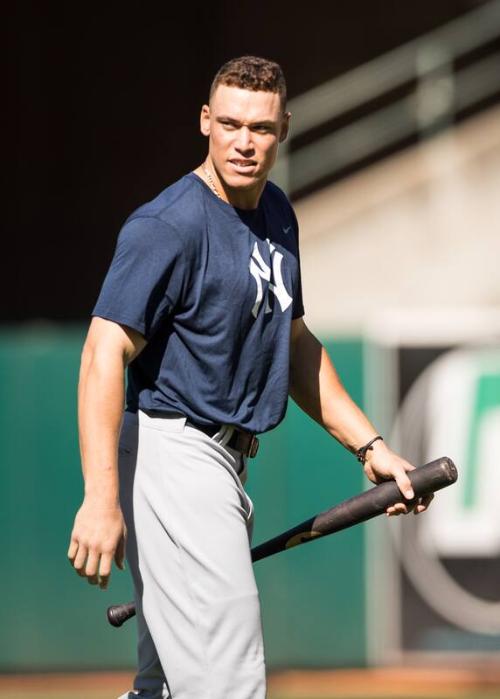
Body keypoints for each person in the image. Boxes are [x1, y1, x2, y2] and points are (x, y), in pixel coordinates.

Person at [68, 56, 432, 699]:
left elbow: (292, 343)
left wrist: (369, 446)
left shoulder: (277, 214)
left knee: (166, 685)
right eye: (230, 123)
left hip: (221, 465)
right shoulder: (169, 226)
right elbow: (102, 353)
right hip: (174, 453)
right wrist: (100, 499)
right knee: (228, 682)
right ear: (205, 122)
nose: (244, 141)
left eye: (260, 128)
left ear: (284, 128)